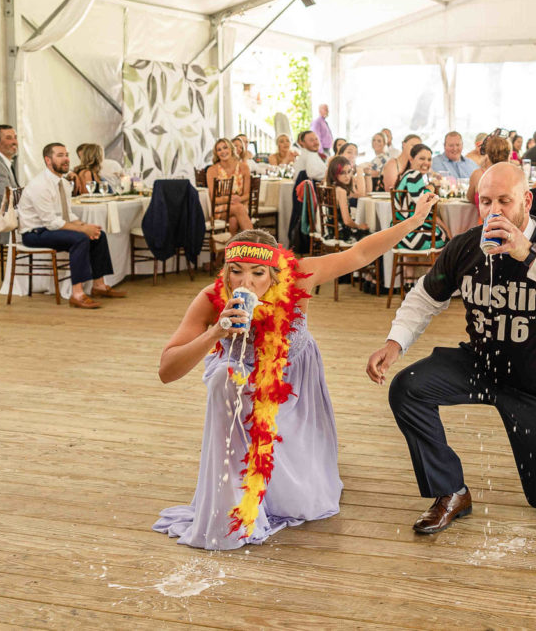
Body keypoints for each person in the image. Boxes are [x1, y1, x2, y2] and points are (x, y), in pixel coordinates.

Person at [155, 194, 441, 549]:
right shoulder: (210, 298)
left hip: (294, 379)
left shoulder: (301, 277)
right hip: (240, 380)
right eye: (236, 271)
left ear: (275, 273)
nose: (246, 281)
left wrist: (414, 222)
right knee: (225, 379)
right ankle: (234, 502)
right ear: (225, 271)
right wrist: (216, 332)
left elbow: (361, 254)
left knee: (305, 497)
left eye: (258, 273)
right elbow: (167, 370)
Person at [366, 162, 536, 534]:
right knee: (407, 388)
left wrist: (528, 253)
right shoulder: (467, 245)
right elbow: (426, 297)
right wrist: (395, 342)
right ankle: (451, 492)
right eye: (485, 202)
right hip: (480, 365)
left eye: (504, 201)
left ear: (526, 200)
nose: (494, 211)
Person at [17, 143, 126, 309]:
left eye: (66, 155)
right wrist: (83, 229)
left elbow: (68, 215)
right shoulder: (40, 185)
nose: (66, 159)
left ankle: (99, 286)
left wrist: (85, 225)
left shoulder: (64, 183)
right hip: (35, 233)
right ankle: (77, 294)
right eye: (60, 155)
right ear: (48, 160)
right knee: (80, 239)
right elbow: (51, 222)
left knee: (98, 235)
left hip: (49, 228)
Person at [393, 143, 450, 249]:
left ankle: (410, 266)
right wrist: (432, 186)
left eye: (429, 159)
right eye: (422, 159)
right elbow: (425, 202)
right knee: (444, 238)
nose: (426, 163)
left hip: (401, 232)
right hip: (411, 233)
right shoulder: (413, 175)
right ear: (411, 159)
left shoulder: (407, 175)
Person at [206, 138, 253, 233]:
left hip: (240, 205)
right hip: (219, 209)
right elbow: (213, 198)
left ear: (231, 149)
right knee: (238, 207)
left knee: (233, 220)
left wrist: (239, 199)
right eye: (219, 150)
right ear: (216, 154)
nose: (223, 151)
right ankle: (257, 244)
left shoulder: (244, 167)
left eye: (225, 148)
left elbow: (247, 195)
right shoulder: (212, 170)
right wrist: (229, 199)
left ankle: (232, 247)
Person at [325, 157, 370, 241]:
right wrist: (358, 226)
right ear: (334, 174)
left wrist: (367, 174)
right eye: (342, 173)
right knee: (372, 234)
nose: (347, 176)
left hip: (332, 232)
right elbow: (347, 221)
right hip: (342, 235)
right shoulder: (341, 191)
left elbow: (361, 194)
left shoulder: (333, 187)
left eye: (349, 172)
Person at [466, 135, 511, 206]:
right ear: (508, 155)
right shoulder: (514, 175)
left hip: (484, 216)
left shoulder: (477, 175)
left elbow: (470, 198)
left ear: (487, 153)